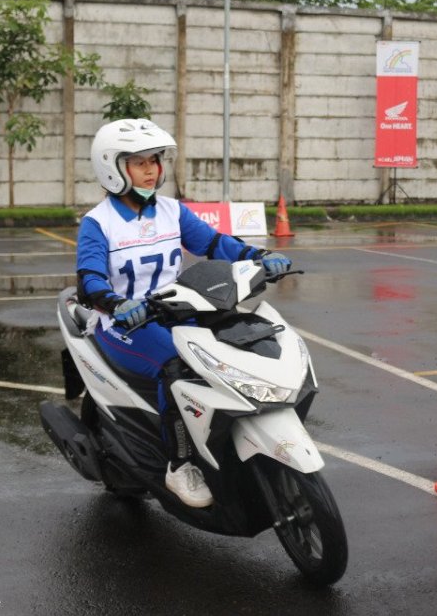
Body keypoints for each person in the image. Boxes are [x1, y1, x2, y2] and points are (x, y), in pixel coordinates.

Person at [76, 118, 291, 508]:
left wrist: (259, 256)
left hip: (172, 311)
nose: (151, 170)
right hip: (123, 324)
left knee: (229, 344)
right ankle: (180, 464)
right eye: (139, 162)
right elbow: (89, 281)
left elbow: (214, 244)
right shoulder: (98, 223)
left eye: (155, 161)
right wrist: (117, 304)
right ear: (112, 168)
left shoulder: (172, 211)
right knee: (178, 366)